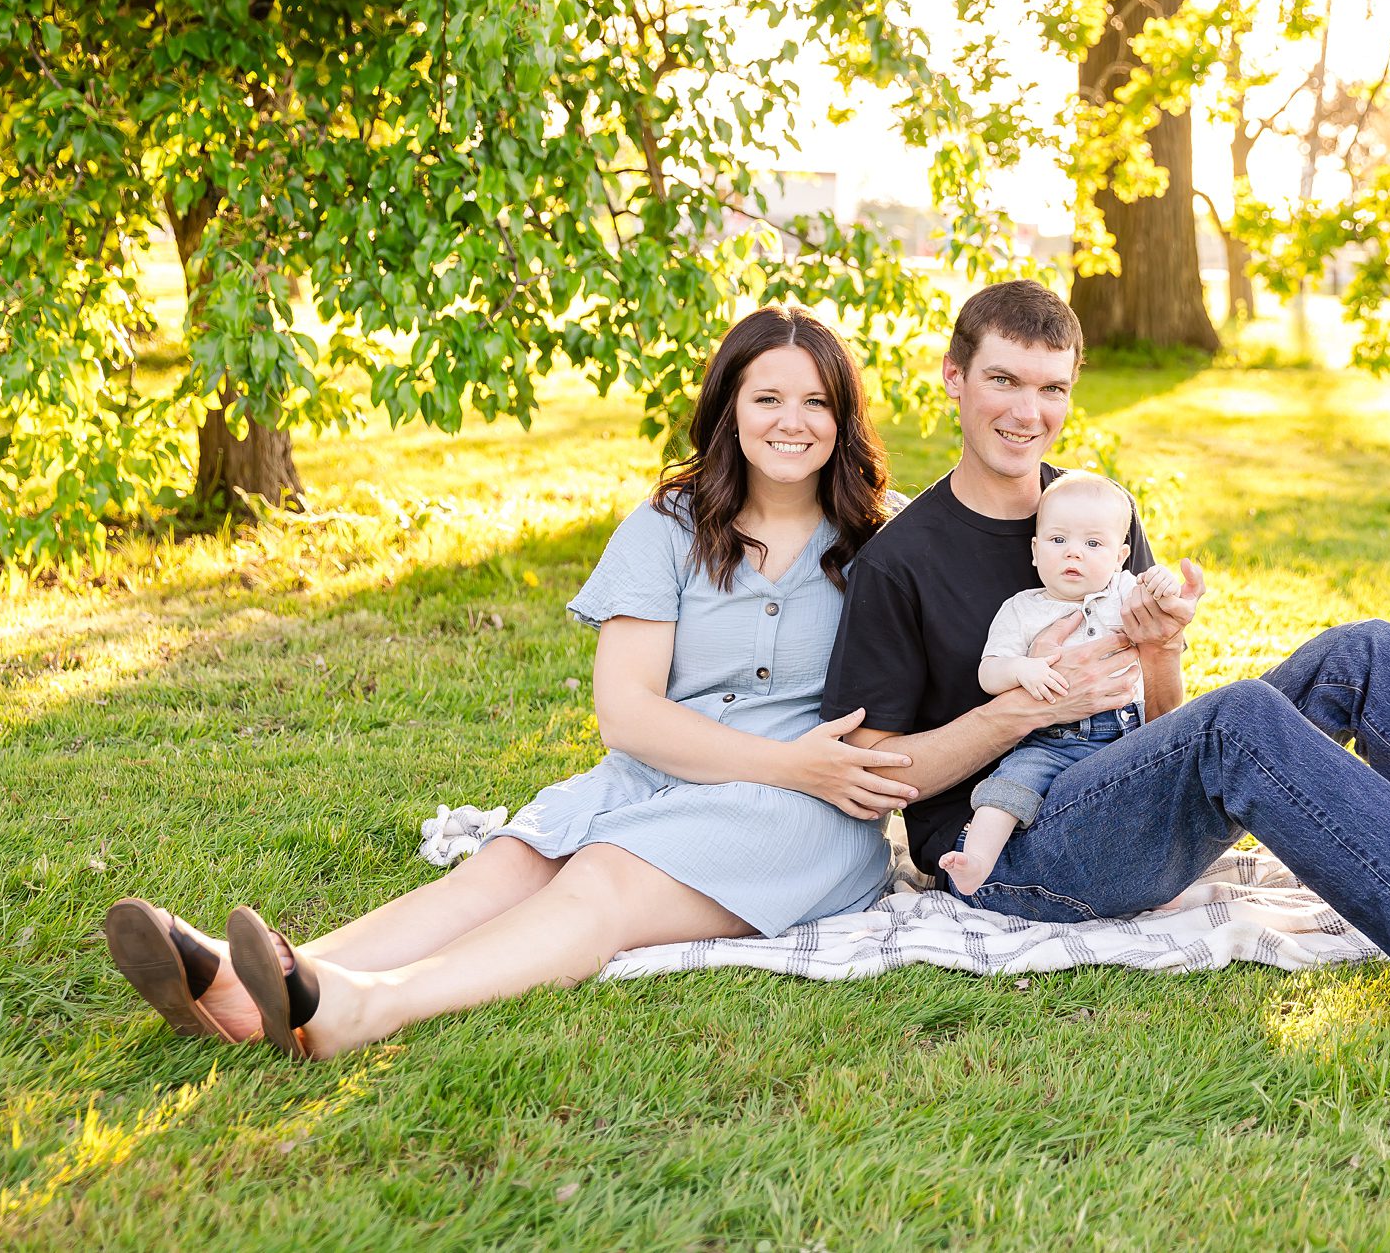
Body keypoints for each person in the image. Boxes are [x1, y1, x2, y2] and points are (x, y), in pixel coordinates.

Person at [821, 279, 1390, 1052]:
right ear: (954, 379)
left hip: (1117, 799)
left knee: (1368, 650)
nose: (1029, 412)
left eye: (1053, 388)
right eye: (1004, 381)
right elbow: (876, 778)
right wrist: (1017, 715)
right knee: (1241, 719)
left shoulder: (1093, 513)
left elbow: (1158, 727)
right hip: (1015, 855)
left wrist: (1160, 647)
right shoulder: (902, 559)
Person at [104, 305, 915, 1061]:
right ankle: (260, 982)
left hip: (809, 813)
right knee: (507, 866)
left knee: (602, 877)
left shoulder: (884, 536)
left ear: (842, 419)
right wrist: (785, 760)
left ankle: (367, 1006)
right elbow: (627, 715)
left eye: (816, 402)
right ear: (728, 408)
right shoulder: (670, 524)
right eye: (767, 396)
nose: (792, 421)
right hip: (661, 775)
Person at [938, 471, 1180, 895]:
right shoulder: (1023, 610)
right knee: (1007, 788)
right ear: (1035, 551)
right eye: (1058, 540)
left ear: (1122, 555)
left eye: (1093, 544)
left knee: (1152, 797)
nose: (1074, 554)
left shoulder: (1125, 593)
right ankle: (975, 863)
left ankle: (1157, 878)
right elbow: (989, 671)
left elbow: (1163, 612)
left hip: (1125, 732)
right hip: (1050, 740)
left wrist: (1165, 585)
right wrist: (1023, 670)